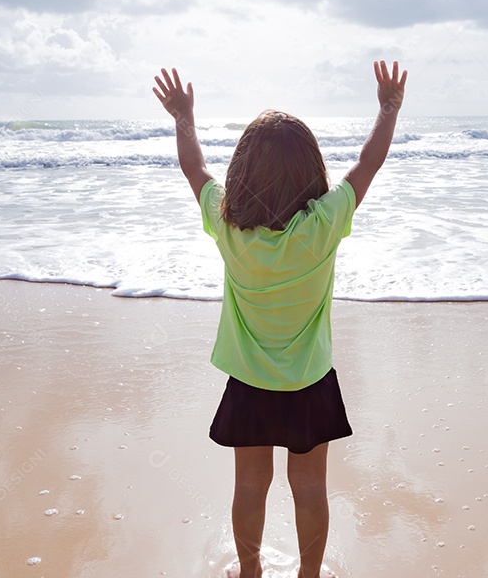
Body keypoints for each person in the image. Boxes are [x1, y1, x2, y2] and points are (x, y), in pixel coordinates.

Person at [152, 61, 407, 578]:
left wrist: (185, 116)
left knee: (249, 486)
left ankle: (250, 573)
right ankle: (308, 576)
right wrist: (388, 109)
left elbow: (193, 169)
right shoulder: (323, 225)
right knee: (310, 487)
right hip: (309, 381)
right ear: (311, 170)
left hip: (249, 382)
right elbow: (367, 164)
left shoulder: (230, 230)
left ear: (241, 172)